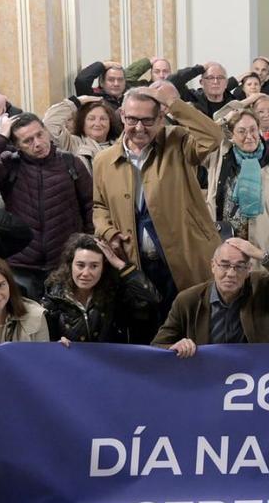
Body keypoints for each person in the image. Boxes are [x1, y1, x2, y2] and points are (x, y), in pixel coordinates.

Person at [92, 82, 225, 332]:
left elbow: (214, 137)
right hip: (136, 261)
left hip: (183, 256)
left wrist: (174, 103)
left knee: (191, 327)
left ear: (161, 117)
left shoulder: (178, 141)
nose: (139, 128)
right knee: (148, 330)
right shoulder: (103, 160)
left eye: (147, 120)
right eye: (131, 119)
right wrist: (108, 232)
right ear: (122, 115)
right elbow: (99, 207)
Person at [0, 112, 93, 300]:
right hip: (21, 263)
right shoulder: (11, 165)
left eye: (40, 135)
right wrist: (0, 137)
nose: (38, 143)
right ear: (16, 145)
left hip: (64, 261)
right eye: (27, 141)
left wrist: (87, 249)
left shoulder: (70, 162)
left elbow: (90, 206)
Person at [151, 237, 269, 355]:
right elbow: (157, 345)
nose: (231, 273)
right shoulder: (188, 300)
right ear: (213, 266)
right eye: (224, 265)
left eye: (239, 267)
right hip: (207, 374)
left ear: (249, 269)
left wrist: (261, 255)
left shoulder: (261, 286)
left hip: (256, 375)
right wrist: (175, 347)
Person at [42, 234, 160, 343]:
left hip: (110, 362)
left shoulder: (115, 294)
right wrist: (55, 344)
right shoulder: (54, 295)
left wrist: (120, 265)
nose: (86, 273)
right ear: (70, 265)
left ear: (103, 268)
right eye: (80, 265)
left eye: (94, 266)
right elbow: (43, 340)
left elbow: (152, 300)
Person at [203, 109, 269, 253]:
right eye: (242, 131)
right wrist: (224, 121)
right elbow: (201, 135)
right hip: (220, 241)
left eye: (253, 130)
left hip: (258, 244)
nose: (249, 136)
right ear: (231, 134)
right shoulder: (219, 155)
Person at [43, 96, 123, 169]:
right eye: (91, 119)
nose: (97, 123)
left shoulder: (120, 146)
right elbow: (49, 123)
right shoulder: (73, 144)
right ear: (82, 122)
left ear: (110, 122)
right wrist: (76, 102)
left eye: (103, 119)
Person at [169, 61, 236, 117]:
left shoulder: (234, 104)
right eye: (210, 78)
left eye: (220, 77)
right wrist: (200, 68)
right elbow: (171, 82)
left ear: (226, 83)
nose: (216, 82)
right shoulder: (192, 98)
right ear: (201, 82)